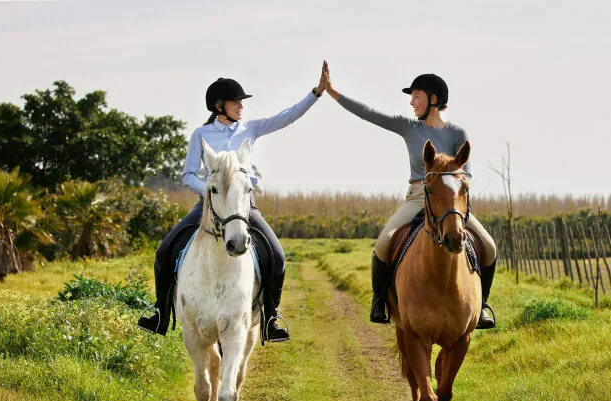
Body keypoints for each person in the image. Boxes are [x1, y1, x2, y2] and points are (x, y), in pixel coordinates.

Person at [138, 73, 325, 340]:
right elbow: (188, 174)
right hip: (208, 205)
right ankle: (160, 313)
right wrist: (212, 193)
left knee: (278, 257)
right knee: (164, 251)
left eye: (241, 102)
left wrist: (315, 93)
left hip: (244, 206)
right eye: (235, 101)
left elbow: (288, 116)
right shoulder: (200, 135)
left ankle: (271, 317)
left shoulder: (250, 128)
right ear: (218, 106)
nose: (241, 106)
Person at [321, 61, 496, 329]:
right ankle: (379, 300)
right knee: (383, 243)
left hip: (451, 203)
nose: (412, 102)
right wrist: (332, 92)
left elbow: (466, 174)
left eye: (416, 96)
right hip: (418, 197)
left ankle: (481, 306)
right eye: (411, 97)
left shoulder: (457, 133)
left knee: (490, 248)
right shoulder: (409, 128)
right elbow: (368, 113)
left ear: (433, 100)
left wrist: (454, 193)